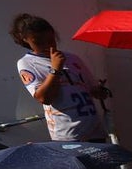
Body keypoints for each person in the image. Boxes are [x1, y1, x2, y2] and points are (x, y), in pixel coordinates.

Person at [11, 13, 108, 142]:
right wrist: (55, 69)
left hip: (94, 131)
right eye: (39, 42)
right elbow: (44, 98)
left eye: (51, 40)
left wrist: (99, 91)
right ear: (25, 40)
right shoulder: (27, 63)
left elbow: (92, 90)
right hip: (69, 135)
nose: (47, 45)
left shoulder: (73, 58)